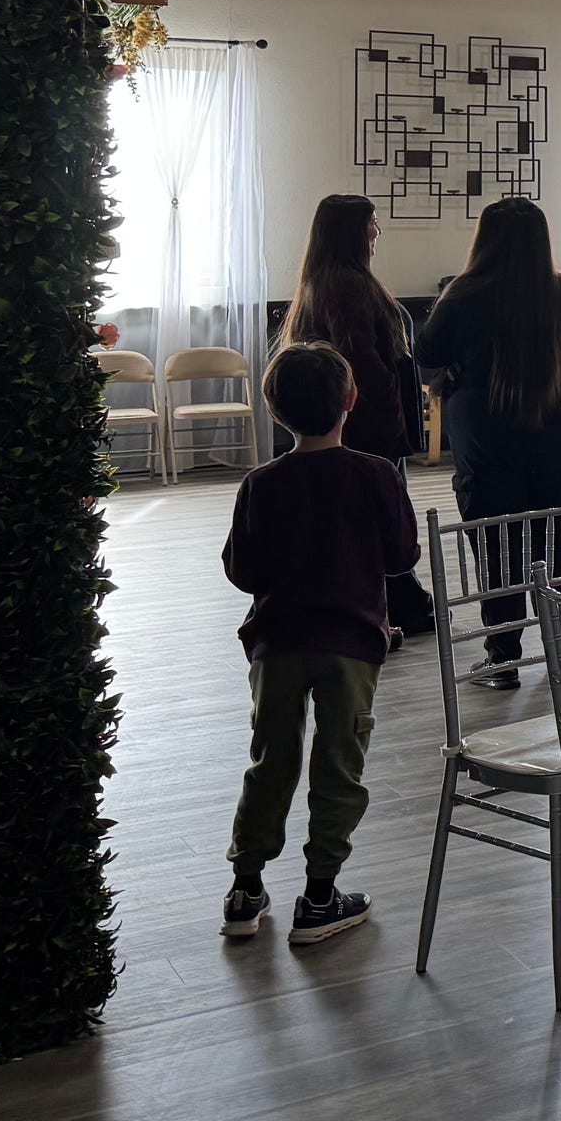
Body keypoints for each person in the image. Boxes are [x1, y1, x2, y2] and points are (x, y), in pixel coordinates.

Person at [220, 341, 420, 946]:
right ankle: (320, 895)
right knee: (339, 764)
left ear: (274, 410)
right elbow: (402, 557)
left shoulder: (260, 484)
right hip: (352, 645)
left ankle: (245, 889)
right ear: (352, 401)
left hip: (277, 644)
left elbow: (243, 573)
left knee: (270, 760)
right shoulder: (376, 475)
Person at [416, 197, 561, 684]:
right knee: (552, 526)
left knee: (495, 533)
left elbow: (427, 352)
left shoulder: (463, 294)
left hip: (484, 424)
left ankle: (503, 657)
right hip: (556, 418)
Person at [280, 194, 431, 641]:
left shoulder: (325, 281)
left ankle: (389, 605)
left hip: (356, 419)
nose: (377, 232)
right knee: (379, 515)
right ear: (352, 232)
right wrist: (390, 417)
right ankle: (387, 609)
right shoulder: (346, 285)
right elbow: (363, 361)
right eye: (372, 224)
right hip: (368, 423)